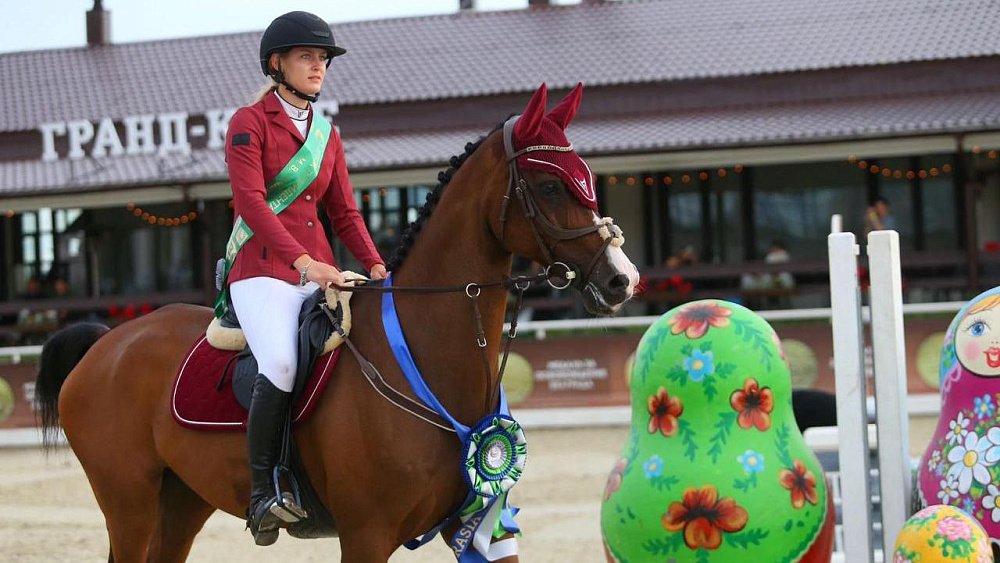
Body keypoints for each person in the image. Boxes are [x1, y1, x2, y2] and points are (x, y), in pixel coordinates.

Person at [222, 11, 387, 546]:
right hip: (262, 273)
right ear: (278, 64)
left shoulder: (327, 134)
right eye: (306, 58)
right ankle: (263, 492)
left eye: (322, 59)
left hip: (318, 273)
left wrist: (377, 263)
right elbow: (251, 204)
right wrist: (304, 263)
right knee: (283, 361)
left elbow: (345, 213)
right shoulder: (248, 123)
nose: (318, 67)